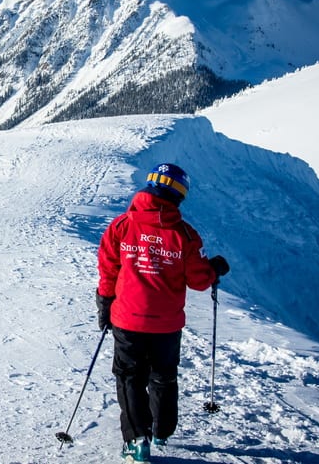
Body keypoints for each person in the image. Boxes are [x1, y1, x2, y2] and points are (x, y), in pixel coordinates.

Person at [96, 163, 229, 463]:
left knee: (130, 376)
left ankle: (136, 440)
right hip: (166, 325)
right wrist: (213, 269)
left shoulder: (122, 226)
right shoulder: (184, 234)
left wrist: (105, 302)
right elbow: (197, 280)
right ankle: (162, 429)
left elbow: (108, 267)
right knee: (163, 377)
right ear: (179, 195)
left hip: (127, 319)